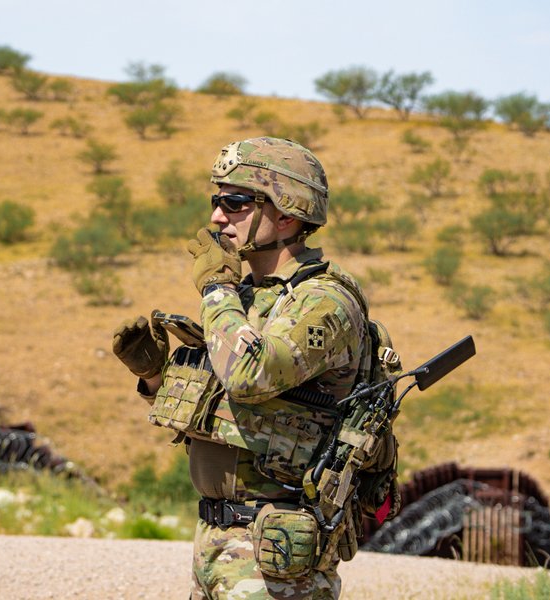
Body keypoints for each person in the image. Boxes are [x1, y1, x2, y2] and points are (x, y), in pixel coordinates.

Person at [113, 137, 390, 599]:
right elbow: (222, 416)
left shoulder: (321, 302)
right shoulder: (250, 298)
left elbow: (249, 375)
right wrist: (154, 376)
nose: (217, 217)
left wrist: (214, 290)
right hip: (219, 540)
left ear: (287, 213)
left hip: (275, 551)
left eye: (235, 203)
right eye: (216, 202)